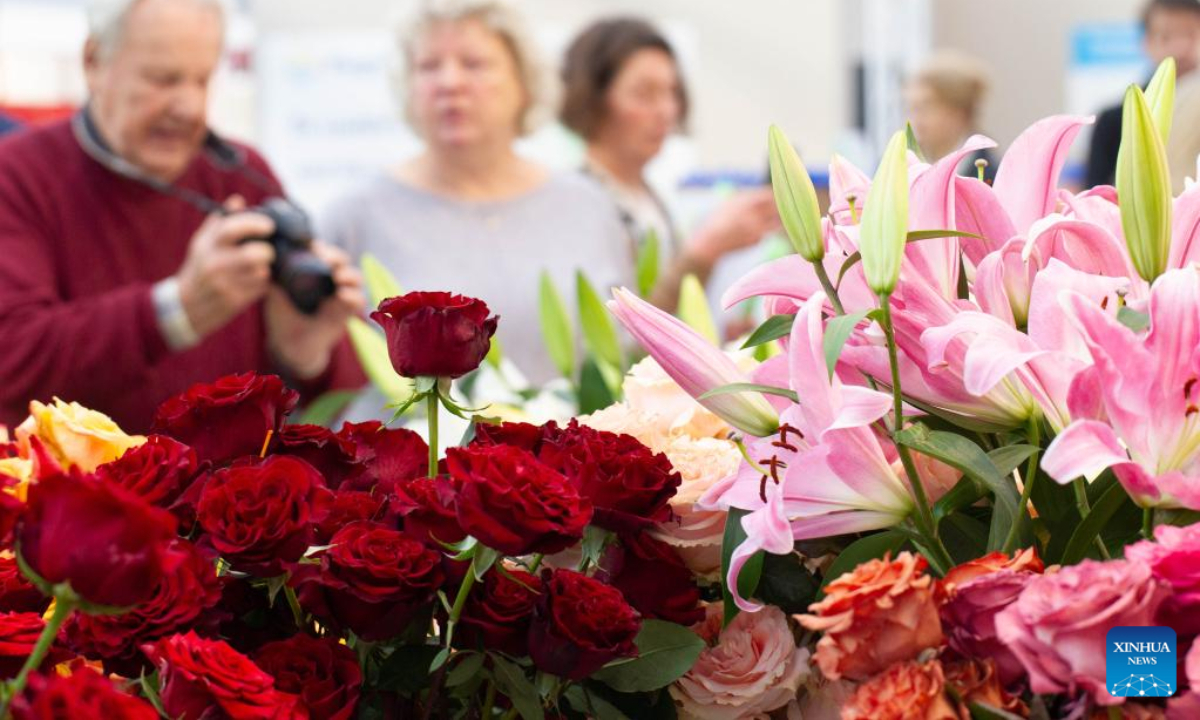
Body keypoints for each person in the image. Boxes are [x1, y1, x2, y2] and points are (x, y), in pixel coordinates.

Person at [0, 0, 365, 432]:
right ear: (94, 62)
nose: (189, 107)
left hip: (231, 494)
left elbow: (336, 400)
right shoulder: (18, 176)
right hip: (79, 491)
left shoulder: (241, 175)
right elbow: (13, 359)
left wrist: (305, 352)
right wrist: (177, 311)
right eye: (163, 80)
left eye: (202, 80)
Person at [322, 0, 629, 389]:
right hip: (417, 447)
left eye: (474, 63)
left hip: (561, 445)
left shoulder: (588, 206)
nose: (450, 83)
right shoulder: (354, 215)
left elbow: (623, 353)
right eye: (429, 66)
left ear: (523, 82)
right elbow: (322, 367)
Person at [560, 17, 781, 312]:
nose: (666, 110)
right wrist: (704, 250)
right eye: (644, 93)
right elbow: (617, 331)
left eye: (672, 92)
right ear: (592, 99)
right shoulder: (574, 202)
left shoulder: (649, 196)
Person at [1086, 0, 1200, 189]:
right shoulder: (1114, 120)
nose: (1180, 48)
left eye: (1190, 35)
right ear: (1147, 43)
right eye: (1166, 37)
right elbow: (1096, 194)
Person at [904, 50, 996, 182]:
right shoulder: (900, 167)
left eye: (926, 107)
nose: (916, 117)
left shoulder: (992, 176)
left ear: (958, 113)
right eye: (912, 107)